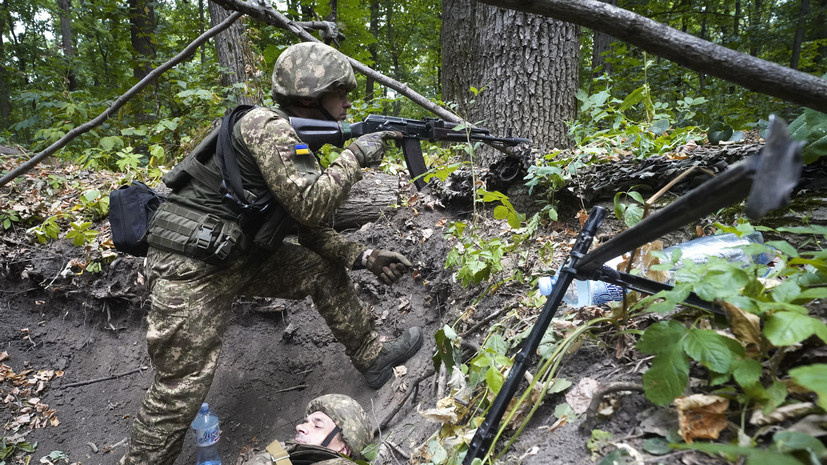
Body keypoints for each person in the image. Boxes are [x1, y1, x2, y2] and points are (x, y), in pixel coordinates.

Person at [120, 41, 423, 464]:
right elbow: (312, 203)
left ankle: (372, 356)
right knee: (180, 389)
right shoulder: (268, 126)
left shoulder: (300, 146)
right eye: (341, 93)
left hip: (236, 258)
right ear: (308, 95)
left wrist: (364, 256)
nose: (348, 103)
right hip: (188, 270)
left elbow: (314, 234)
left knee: (318, 268)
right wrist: (354, 155)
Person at [243, 394, 373, 465]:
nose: (300, 427)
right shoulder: (278, 454)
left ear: (343, 449)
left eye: (317, 426)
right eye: (305, 422)